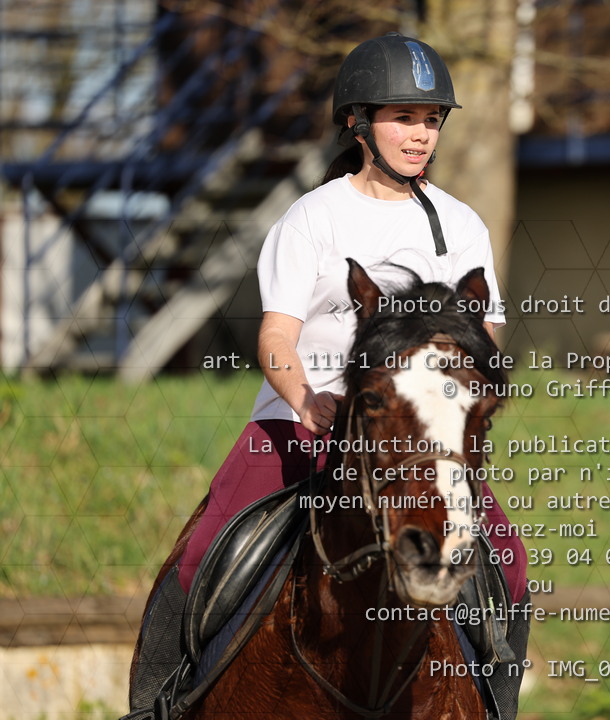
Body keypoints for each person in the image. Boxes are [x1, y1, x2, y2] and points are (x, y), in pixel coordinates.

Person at [130, 32, 527, 719]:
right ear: (358, 122)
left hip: (415, 438)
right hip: (300, 420)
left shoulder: (462, 225)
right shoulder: (311, 217)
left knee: (509, 560)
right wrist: (306, 399)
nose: (421, 135)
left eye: (431, 120)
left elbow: (480, 338)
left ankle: (497, 703)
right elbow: (276, 336)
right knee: (202, 550)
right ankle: (154, 705)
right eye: (404, 118)